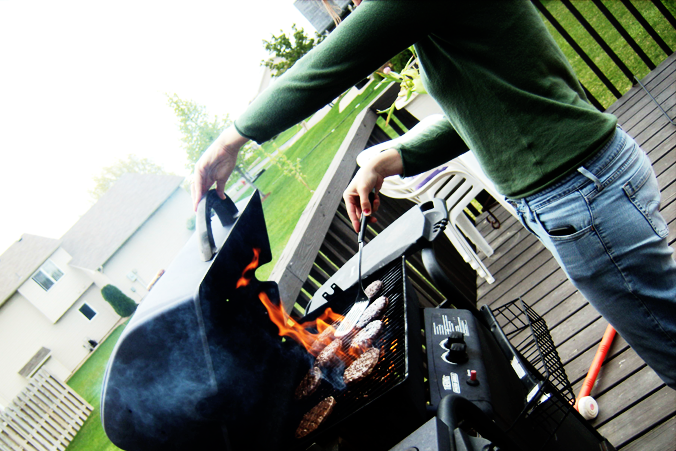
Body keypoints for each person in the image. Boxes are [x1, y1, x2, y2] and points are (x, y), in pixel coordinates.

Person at [192, 1, 676, 388]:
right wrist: (388, 159)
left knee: (668, 342)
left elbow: (330, 64)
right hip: (587, 186)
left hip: (580, 196)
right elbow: (481, 111)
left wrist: (231, 138)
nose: (355, 8)